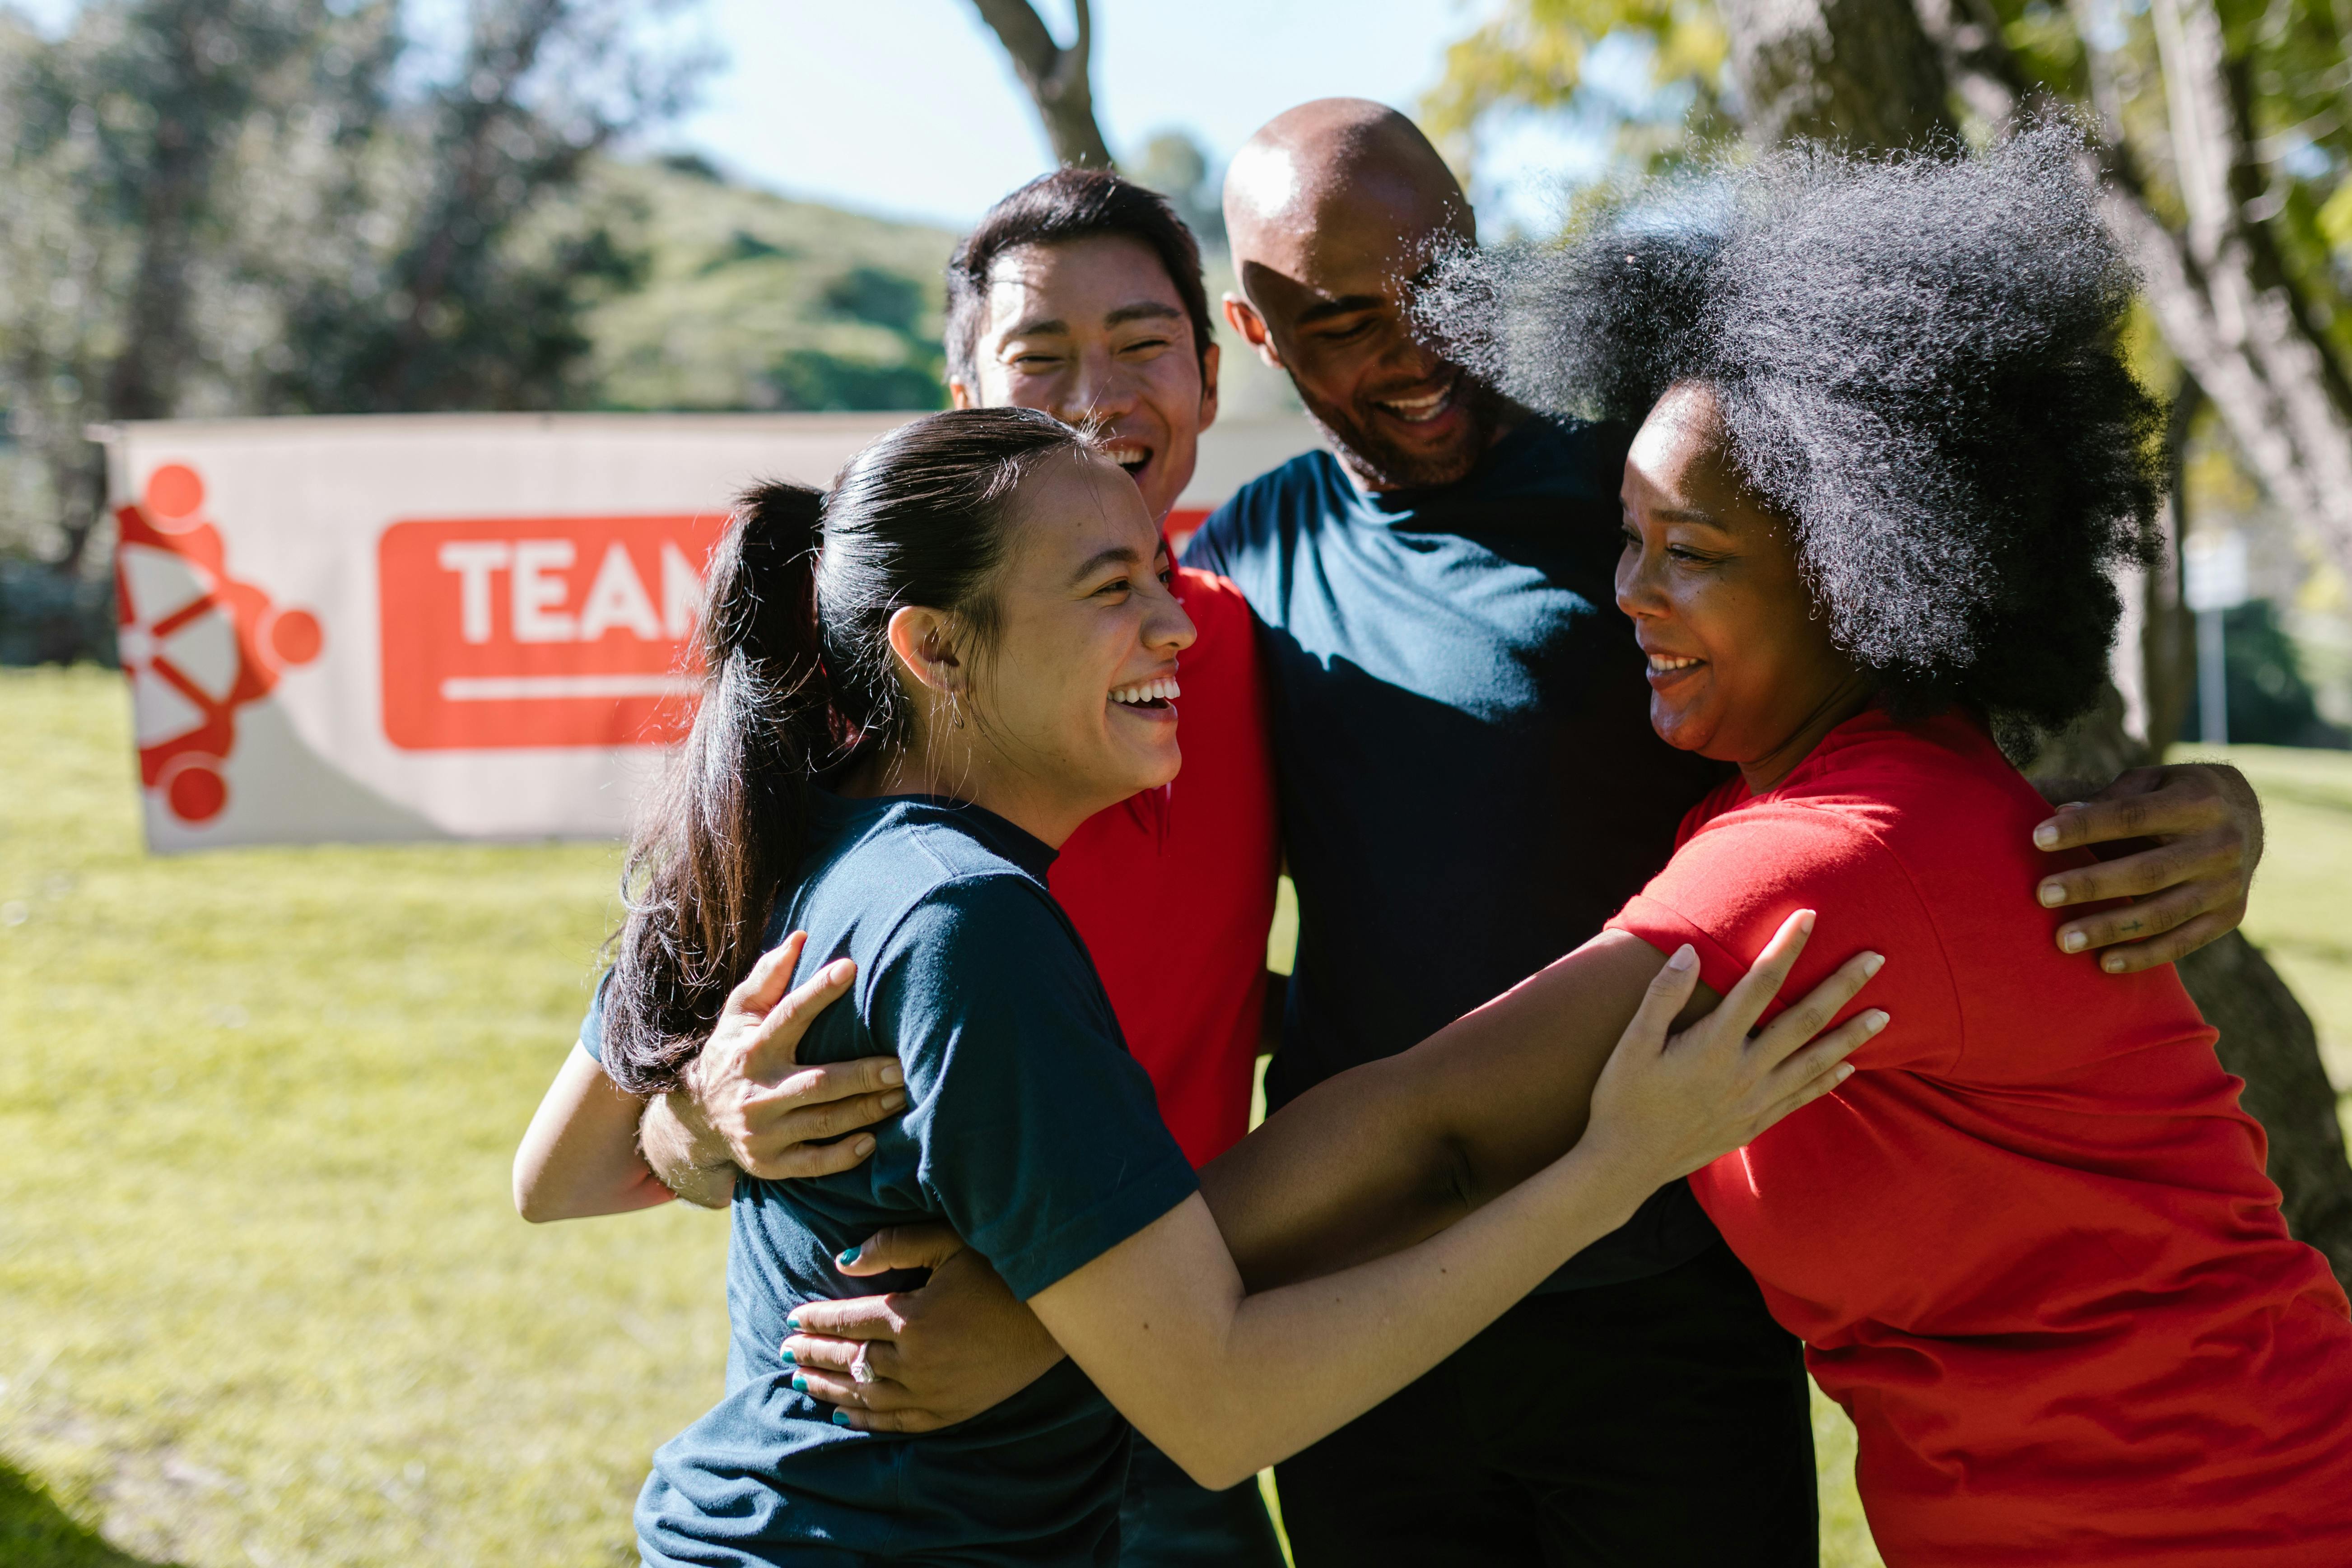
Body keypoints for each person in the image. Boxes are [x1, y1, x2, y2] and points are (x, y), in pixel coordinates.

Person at [771, 100, 2275, 1568]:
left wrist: (2216, 806)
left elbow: (1940, 739)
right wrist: (695, 1100)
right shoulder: (1234, 578)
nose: (1410, 346)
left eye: (1438, 285)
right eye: (1337, 320)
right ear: (1256, 336)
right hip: (1344, 1288)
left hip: (1662, 1287)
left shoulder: (1677, 490)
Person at [551, 405, 1877, 1566]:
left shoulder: (821, 830)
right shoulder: (967, 919)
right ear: (935, 650)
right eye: (1109, 586)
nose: (1175, 623)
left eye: (1160, 573)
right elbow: (1226, 1402)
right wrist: (1614, 1162)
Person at [511, 168, 1290, 1566]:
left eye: (1140, 344)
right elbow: (565, 1165)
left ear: (1211, 372)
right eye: (1037, 356)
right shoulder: (851, 718)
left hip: (1184, 1369)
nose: (1094, 394)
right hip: (917, 1447)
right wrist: (703, 1129)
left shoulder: (1263, 658)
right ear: (963, 389)